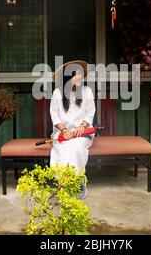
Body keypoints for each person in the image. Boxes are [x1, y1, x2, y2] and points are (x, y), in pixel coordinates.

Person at [49, 60, 95, 199]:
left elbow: (90, 113)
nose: (79, 77)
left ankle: (78, 181)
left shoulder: (87, 91)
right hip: (63, 133)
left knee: (76, 146)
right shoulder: (58, 93)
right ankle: (62, 184)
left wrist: (82, 126)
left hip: (82, 133)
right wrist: (64, 130)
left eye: (80, 74)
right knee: (63, 148)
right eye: (75, 75)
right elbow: (55, 115)